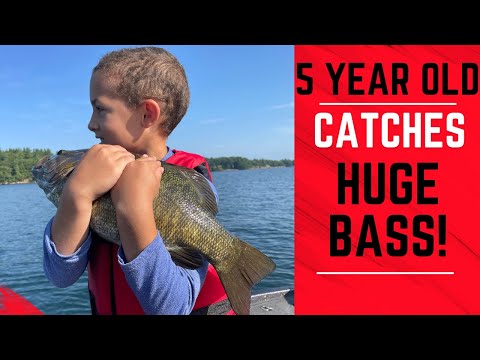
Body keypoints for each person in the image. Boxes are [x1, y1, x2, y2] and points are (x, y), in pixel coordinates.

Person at [43, 46, 233, 315]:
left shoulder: (192, 179)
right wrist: (77, 194)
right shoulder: (91, 173)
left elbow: (172, 308)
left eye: (100, 109)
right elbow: (60, 276)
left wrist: (134, 209)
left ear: (147, 114)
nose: (90, 124)